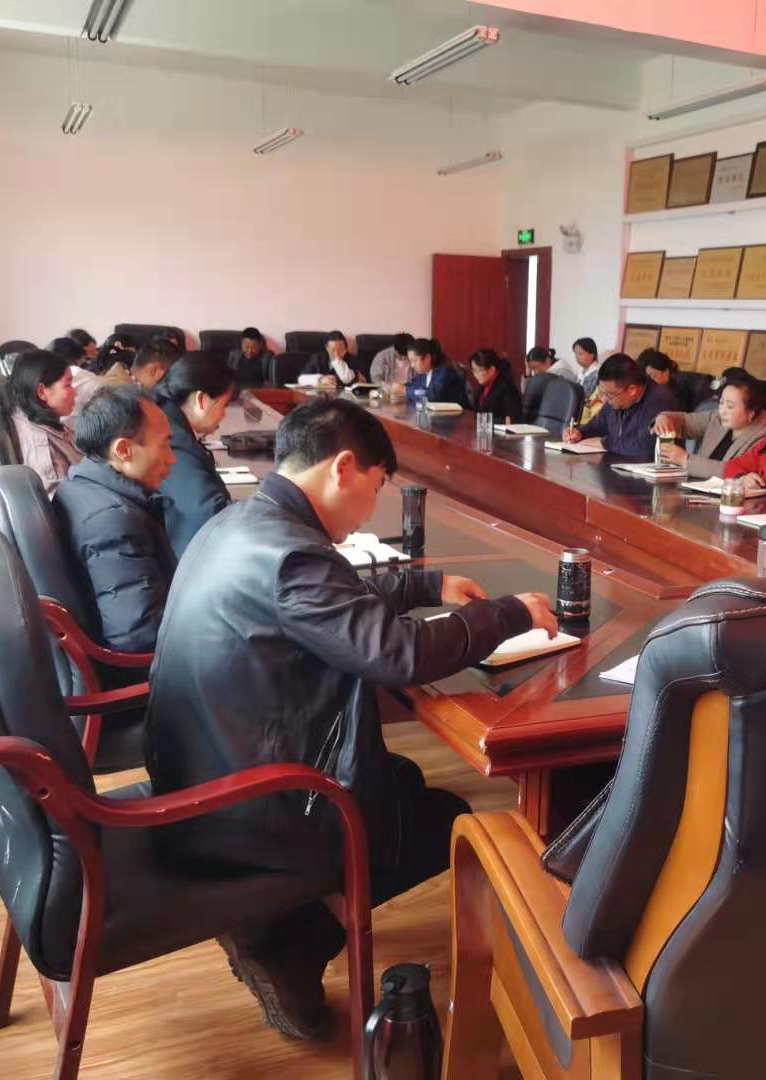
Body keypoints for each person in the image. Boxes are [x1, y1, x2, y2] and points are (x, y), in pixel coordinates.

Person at [144, 397, 558, 1039]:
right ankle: (288, 943)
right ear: (343, 467)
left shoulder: (241, 522)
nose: (373, 504)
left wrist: (427, 587)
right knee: (445, 820)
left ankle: (280, 919)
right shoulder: (294, 556)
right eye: (377, 484)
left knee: (404, 781)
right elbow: (397, 654)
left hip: (202, 769)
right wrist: (509, 614)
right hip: (250, 803)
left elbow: (329, 602)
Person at [54, 386, 177, 652]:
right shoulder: (113, 522)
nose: (172, 458)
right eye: (165, 444)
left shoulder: (80, 484)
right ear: (123, 450)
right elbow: (140, 637)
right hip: (154, 670)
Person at [152, 353, 237, 557]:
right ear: (201, 399)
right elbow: (211, 512)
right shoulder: (170, 437)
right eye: (224, 405)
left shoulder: (164, 417)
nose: (224, 415)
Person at [651, 374, 766, 478]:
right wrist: (664, 418)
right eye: (721, 403)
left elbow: (734, 470)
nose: (722, 411)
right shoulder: (717, 417)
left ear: (751, 413)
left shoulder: (764, 434)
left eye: (730, 406)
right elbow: (686, 422)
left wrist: (685, 459)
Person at [564, 353, 675, 460]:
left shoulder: (659, 401)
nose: (605, 399)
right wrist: (579, 433)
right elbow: (598, 425)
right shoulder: (615, 396)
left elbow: (645, 447)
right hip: (615, 464)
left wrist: (605, 443)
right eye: (603, 392)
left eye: (610, 395)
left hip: (645, 469)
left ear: (632, 390)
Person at [8, 348, 82, 496]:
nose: (75, 392)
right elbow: (69, 503)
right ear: (42, 392)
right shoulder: (45, 453)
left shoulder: (25, 413)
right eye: (67, 384)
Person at [406, 337, 468, 407]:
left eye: (414, 361)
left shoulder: (446, 372)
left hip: (459, 413)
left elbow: (432, 397)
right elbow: (415, 389)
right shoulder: (423, 373)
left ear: (427, 358)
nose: (412, 365)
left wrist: (405, 391)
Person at [467, 348, 524, 424]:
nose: (475, 375)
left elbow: (513, 419)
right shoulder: (483, 386)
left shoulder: (507, 388)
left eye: (478, 371)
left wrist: (484, 420)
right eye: (473, 370)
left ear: (492, 370)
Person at [521, 346, 563, 420]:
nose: (536, 372)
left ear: (547, 360)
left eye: (537, 367)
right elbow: (527, 395)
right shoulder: (543, 375)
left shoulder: (560, 371)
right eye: (533, 369)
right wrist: (528, 372)